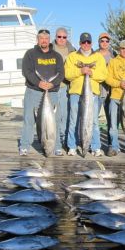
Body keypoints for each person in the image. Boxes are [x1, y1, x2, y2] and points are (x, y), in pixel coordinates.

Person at [19, 29, 64, 156]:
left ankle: (56, 147)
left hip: (52, 92)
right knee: (29, 119)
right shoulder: (30, 54)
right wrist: (38, 83)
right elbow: (26, 71)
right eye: (41, 38)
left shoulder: (57, 56)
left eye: (46, 38)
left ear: (49, 40)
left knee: (54, 121)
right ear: (37, 39)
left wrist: (52, 84)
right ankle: (24, 145)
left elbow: (61, 74)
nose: (44, 40)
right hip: (33, 91)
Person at [64, 32, 107, 156]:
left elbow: (103, 75)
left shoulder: (98, 57)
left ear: (91, 43)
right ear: (80, 43)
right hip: (75, 93)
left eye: (88, 42)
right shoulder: (72, 56)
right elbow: (67, 74)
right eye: (84, 42)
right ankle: (72, 146)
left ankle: (95, 147)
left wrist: (91, 73)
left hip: (92, 94)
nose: (86, 44)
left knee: (93, 121)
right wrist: (81, 71)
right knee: (73, 120)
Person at [52, 27, 76, 155]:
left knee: (66, 116)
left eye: (64, 37)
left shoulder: (72, 50)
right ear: (55, 37)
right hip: (53, 88)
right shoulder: (51, 49)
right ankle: (56, 143)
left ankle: (65, 140)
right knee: (55, 116)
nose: (61, 39)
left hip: (66, 87)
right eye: (59, 36)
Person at [97, 32, 115, 144]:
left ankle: (111, 143)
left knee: (111, 119)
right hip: (96, 91)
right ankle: (93, 143)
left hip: (110, 92)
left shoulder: (114, 56)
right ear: (99, 42)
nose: (104, 43)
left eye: (107, 41)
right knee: (93, 119)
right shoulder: (93, 55)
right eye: (102, 41)